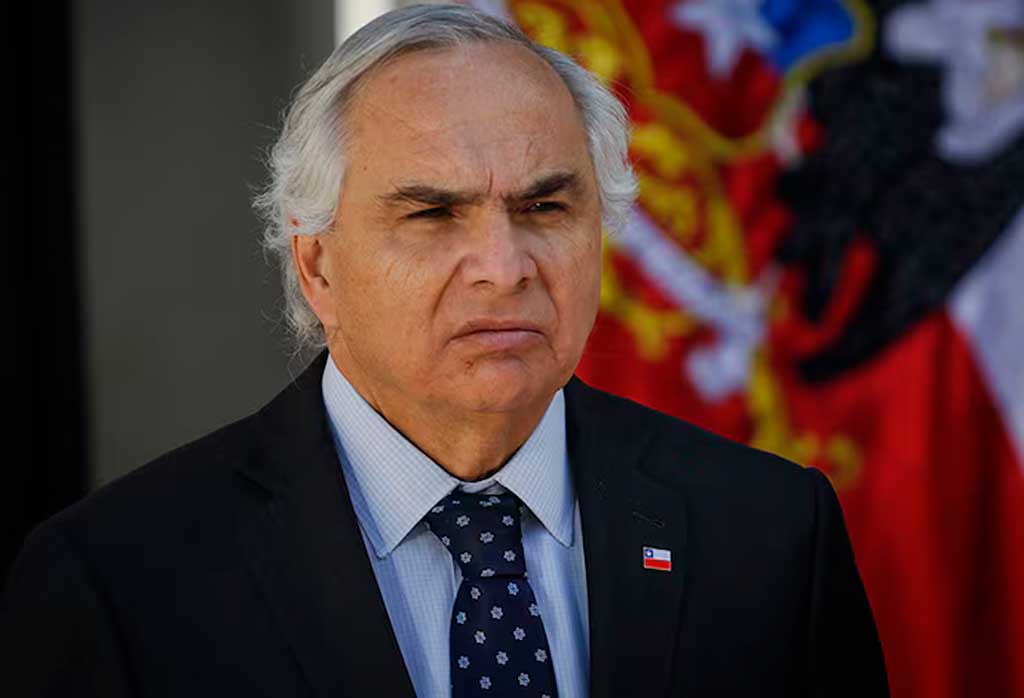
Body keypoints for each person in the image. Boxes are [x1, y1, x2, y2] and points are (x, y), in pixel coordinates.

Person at [1, 5, 888, 697]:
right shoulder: (119, 581)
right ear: (317, 265)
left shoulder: (772, 534)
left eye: (546, 208)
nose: (504, 268)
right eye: (432, 214)